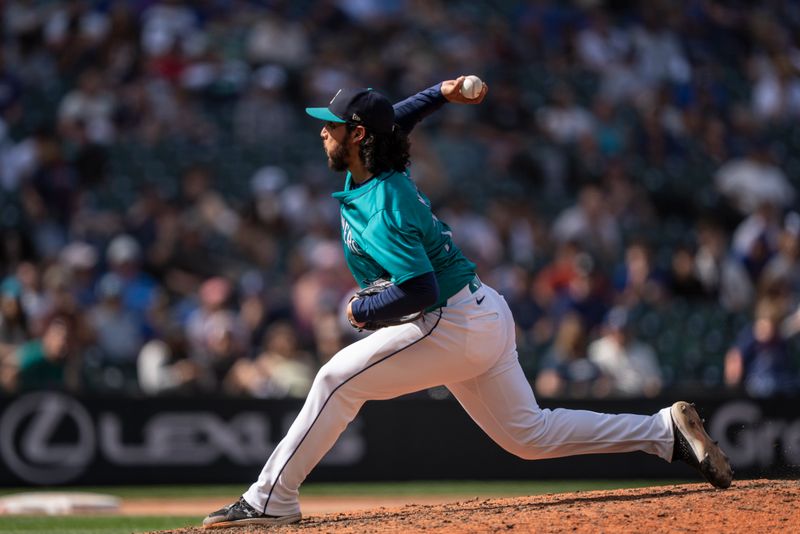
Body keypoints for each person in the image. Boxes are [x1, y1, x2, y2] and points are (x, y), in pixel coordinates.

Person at [203, 77, 732, 528]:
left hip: (448, 317)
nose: (323, 130)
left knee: (335, 380)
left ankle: (270, 500)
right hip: (482, 310)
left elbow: (419, 290)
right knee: (529, 436)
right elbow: (399, 118)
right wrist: (442, 91)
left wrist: (361, 311)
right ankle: (663, 433)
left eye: (332, 124)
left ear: (358, 135)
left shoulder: (384, 202)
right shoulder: (375, 163)